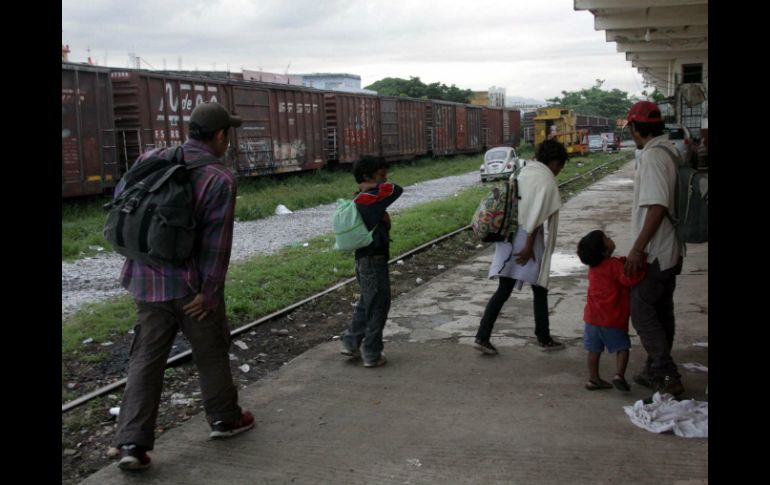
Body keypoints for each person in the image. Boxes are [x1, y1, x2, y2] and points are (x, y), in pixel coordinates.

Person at [112, 102, 254, 471]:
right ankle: (224, 420)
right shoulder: (219, 178)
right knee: (211, 350)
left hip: (145, 281)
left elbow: (124, 204)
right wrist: (209, 294)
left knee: (145, 360)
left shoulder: (152, 156)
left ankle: (132, 443)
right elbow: (216, 246)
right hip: (191, 290)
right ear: (220, 136)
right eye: (229, 136)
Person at [473, 139, 568, 355]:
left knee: (504, 289)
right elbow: (535, 216)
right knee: (540, 288)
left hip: (509, 235)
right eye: (560, 165)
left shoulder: (523, 171)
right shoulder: (545, 179)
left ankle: (482, 336)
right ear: (554, 162)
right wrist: (528, 246)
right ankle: (543, 338)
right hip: (526, 239)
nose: (559, 171)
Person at [624, 100, 685, 397]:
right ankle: (653, 369)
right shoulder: (670, 150)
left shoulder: (651, 158)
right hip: (672, 249)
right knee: (662, 312)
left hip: (656, 252)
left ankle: (664, 371)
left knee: (642, 310)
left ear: (636, 128)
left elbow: (658, 205)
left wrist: (637, 249)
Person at [340, 156, 403, 368]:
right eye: (381, 175)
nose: (385, 180)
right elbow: (397, 189)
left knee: (367, 302)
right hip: (373, 261)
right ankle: (372, 353)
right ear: (367, 177)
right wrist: (373, 185)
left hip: (363, 260)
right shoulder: (370, 197)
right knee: (379, 306)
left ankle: (350, 342)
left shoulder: (360, 198)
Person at [577, 230, 646, 391]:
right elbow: (628, 280)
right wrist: (642, 268)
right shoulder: (613, 265)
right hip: (612, 317)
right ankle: (619, 375)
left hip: (592, 318)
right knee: (622, 348)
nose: (610, 238)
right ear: (604, 250)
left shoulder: (594, 268)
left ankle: (593, 379)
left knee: (593, 350)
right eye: (606, 238)